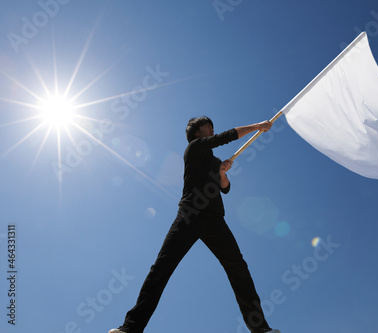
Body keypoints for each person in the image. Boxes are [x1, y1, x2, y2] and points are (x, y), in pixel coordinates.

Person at [109, 116, 281, 333]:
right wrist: (257, 126)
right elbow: (225, 137)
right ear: (196, 133)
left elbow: (225, 188)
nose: (210, 129)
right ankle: (130, 328)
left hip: (215, 220)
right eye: (206, 126)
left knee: (238, 269)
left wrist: (221, 173)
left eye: (211, 126)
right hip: (190, 214)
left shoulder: (215, 161)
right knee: (162, 267)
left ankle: (260, 329)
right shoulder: (193, 149)